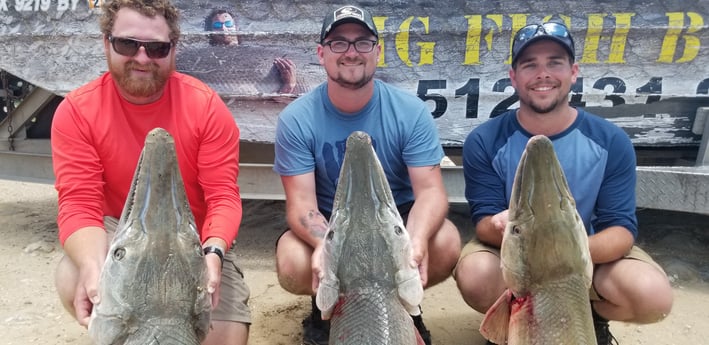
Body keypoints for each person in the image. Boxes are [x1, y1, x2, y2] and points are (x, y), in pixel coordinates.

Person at [453, 21, 674, 345]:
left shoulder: (610, 140)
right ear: (513, 77)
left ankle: (589, 317)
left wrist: (560, 255)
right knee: (475, 276)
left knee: (651, 294)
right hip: (518, 261)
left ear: (573, 72)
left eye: (554, 63)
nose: (543, 74)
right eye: (530, 65)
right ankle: (516, 320)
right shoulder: (484, 140)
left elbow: (621, 230)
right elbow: (483, 222)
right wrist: (504, 228)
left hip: (589, 259)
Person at [51, 1, 250, 344]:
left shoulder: (206, 106)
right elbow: (79, 204)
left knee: (226, 337)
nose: (142, 58)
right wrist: (92, 268)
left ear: (173, 50)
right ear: (106, 43)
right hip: (126, 235)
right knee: (74, 275)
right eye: (127, 44)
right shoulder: (77, 111)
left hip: (194, 240)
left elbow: (223, 197)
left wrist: (214, 253)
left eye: (157, 48)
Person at [272, 5, 461, 345]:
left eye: (362, 42)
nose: (351, 53)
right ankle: (326, 309)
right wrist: (324, 246)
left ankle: (405, 306)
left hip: (396, 221)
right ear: (321, 53)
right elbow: (301, 204)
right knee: (291, 259)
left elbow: (430, 193)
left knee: (445, 241)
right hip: (334, 220)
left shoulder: (410, 112)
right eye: (338, 43)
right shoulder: (297, 118)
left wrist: (413, 244)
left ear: (377, 51)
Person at [203, 8, 297, 94]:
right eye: (217, 25)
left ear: (236, 27)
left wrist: (289, 86)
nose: (223, 28)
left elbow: (273, 104)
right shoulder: (205, 60)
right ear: (209, 32)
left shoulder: (258, 54)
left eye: (228, 24)